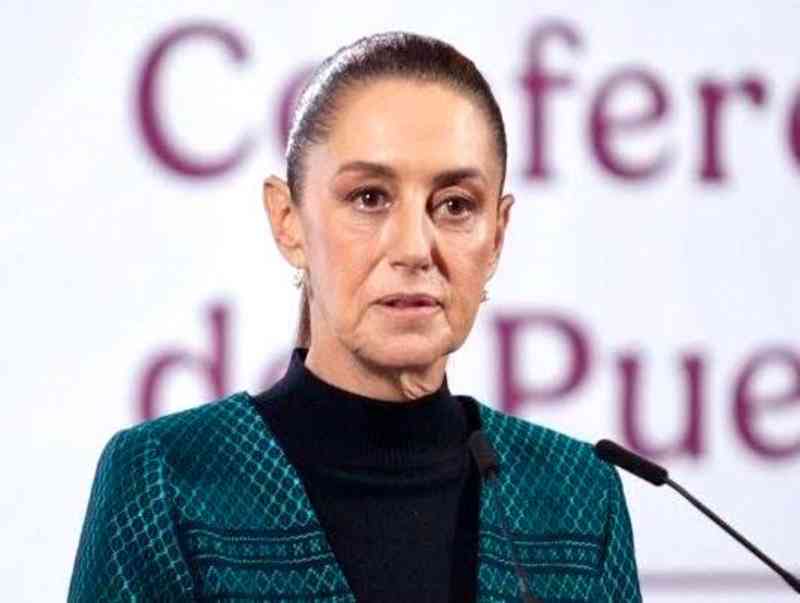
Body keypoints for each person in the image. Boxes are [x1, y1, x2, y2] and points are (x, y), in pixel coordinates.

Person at [68, 31, 643, 602]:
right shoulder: (167, 479)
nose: (414, 249)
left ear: (496, 235)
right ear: (288, 221)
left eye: (455, 205)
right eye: (370, 197)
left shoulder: (579, 498)